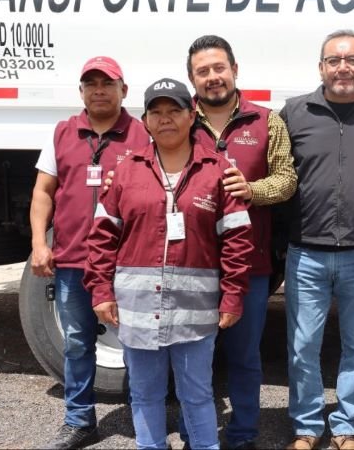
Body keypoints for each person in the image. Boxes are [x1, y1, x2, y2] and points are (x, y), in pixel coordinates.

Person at [83, 78, 255, 450]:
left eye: (174, 110)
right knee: (145, 395)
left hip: (196, 314)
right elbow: (101, 237)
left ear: (191, 115)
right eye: (156, 112)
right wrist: (100, 290)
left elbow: (238, 242)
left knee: (197, 395)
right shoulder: (125, 171)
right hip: (138, 311)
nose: (166, 119)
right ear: (144, 121)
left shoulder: (218, 171)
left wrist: (233, 296)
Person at [279, 29, 354, 450]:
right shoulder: (294, 112)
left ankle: (347, 427)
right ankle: (307, 428)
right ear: (321, 67)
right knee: (302, 346)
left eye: (352, 60)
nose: (343, 67)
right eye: (334, 60)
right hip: (305, 252)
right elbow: (276, 178)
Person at [183, 34, 297, 450]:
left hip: (249, 264)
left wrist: (251, 191)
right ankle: (197, 432)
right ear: (191, 78)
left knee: (245, 356)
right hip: (189, 264)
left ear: (234, 70)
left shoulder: (268, 121)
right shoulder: (179, 120)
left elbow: (287, 180)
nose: (212, 77)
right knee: (191, 358)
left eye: (219, 68)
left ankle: (244, 433)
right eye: (202, 71)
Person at [30, 56, 149, 449]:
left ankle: (142, 417)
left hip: (128, 261)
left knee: (136, 342)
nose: (99, 89)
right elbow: (43, 193)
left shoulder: (143, 133)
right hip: (72, 262)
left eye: (107, 83)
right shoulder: (62, 132)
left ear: (123, 90)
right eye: (91, 83)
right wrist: (39, 244)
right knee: (79, 342)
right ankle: (80, 420)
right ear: (81, 91)